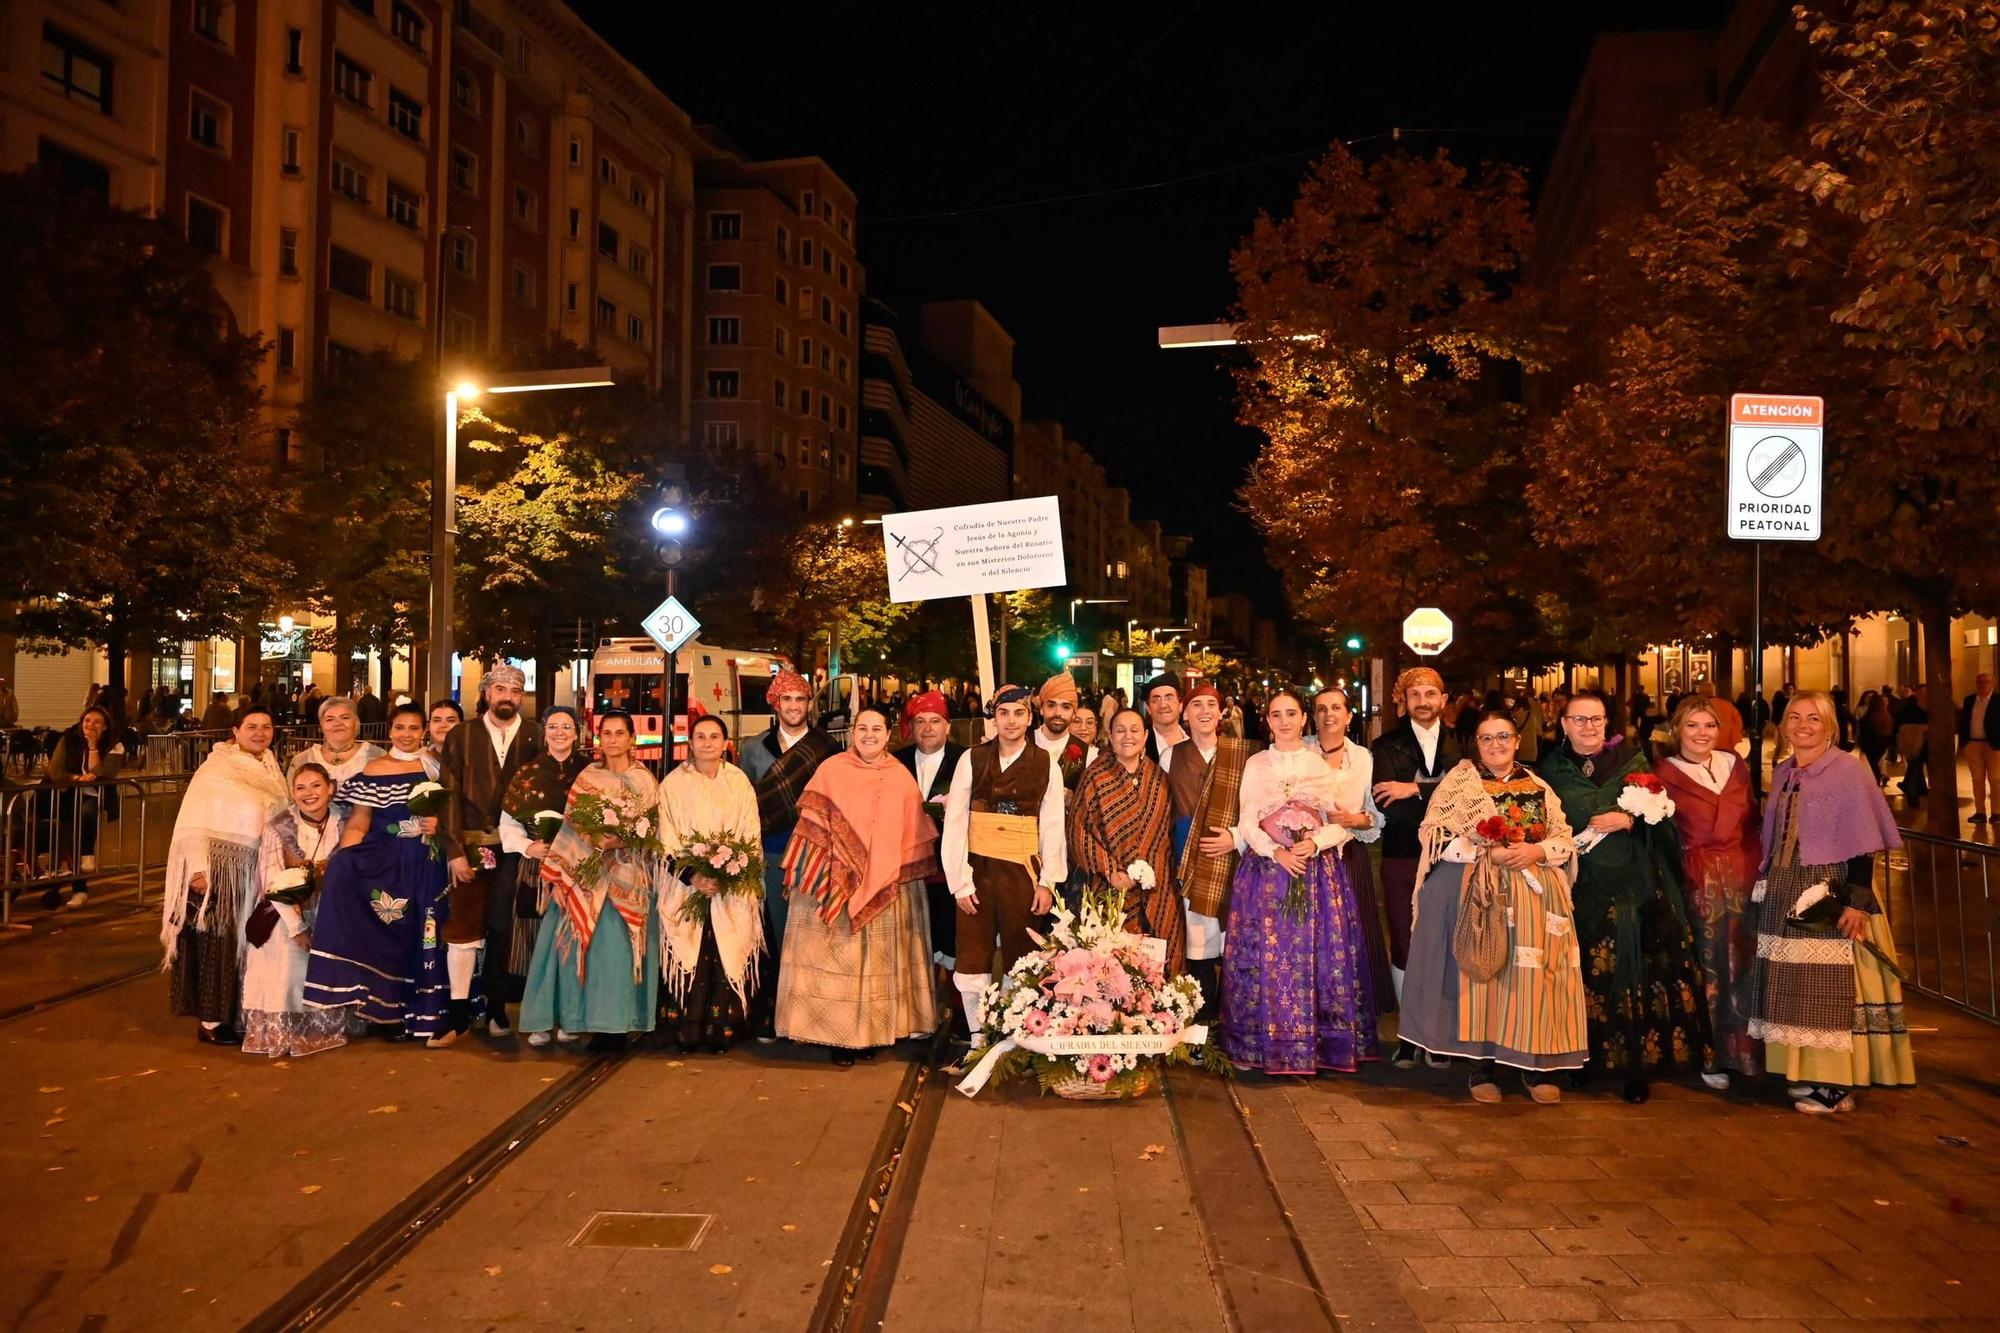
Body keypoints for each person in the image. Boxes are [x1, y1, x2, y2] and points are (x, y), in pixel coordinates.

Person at [1401, 707, 1587, 1102]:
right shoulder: (1460, 784)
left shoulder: (1538, 786)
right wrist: (1485, 854)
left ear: (1517, 741)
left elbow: (1564, 839)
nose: (1495, 745)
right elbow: (1436, 837)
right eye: (1486, 738)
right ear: (1476, 745)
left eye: (1503, 736)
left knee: (1535, 980)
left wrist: (1536, 850)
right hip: (1479, 891)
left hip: (1536, 896)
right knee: (1483, 973)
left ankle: (1534, 1068)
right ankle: (1481, 1068)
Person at [1539, 689, 1712, 1102]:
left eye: (1596, 719)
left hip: (1630, 885)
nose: (1588, 727)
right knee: (1579, 974)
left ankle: (1635, 1066)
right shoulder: (1550, 770)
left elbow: (1666, 824)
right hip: (1576, 886)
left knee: (1631, 972)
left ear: (1607, 724)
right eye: (1579, 719)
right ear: (1563, 724)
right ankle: (1580, 1060)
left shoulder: (1633, 763)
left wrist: (1631, 820)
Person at [1746, 691, 1914, 1113]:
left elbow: (1864, 842)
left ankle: (1838, 1083)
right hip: (1787, 882)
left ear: (1830, 727)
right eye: (1795, 717)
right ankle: (1807, 1072)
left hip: (1829, 885)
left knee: (1829, 985)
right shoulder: (1786, 771)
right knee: (1795, 984)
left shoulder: (1847, 771)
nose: (1803, 726)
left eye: (1814, 719)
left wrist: (1856, 901)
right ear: (1783, 724)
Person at [1218, 690, 1380, 1075]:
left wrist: (1313, 842)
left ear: (1303, 719)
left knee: (1316, 955)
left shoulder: (1319, 765)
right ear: (1268, 721)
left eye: (1292, 713)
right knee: (1267, 957)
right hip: (1269, 874)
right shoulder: (1256, 764)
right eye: (1277, 714)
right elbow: (1247, 821)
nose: (1285, 721)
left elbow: (1339, 823)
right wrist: (1277, 852)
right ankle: (1261, 1044)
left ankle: (1320, 1044)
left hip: (1316, 874)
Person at [777, 705, 939, 1064]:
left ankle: (874, 1032)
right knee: (840, 960)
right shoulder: (831, 770)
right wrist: (834, 865)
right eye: (862, 728)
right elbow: (810, 825)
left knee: (878, 963)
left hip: (886, 887)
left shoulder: (900, 777)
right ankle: (839, 1038)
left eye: (877, 729)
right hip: (833, 882)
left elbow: (913, 835)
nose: (869, 735)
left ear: (888, 734)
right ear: (852, 732)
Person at [301, 705, 451, 1045]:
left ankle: (425, 1014)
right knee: (388, 935)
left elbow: (454, 814)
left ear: (423, 731)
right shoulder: (375, 768)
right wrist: (340, 861)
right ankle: (387, 1012)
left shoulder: (436, 768)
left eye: (414, 728)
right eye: (400, 727)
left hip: (427, 862)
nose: (407, 734)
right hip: (386, 863)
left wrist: (441, 825)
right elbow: (359, 822)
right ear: (390, 730)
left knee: (423, 935)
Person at [520, 710, 660, 1050]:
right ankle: (586, 1022)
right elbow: (571, 825)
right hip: (585, 875)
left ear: (632, 739)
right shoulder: (588, 777)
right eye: (606, 733)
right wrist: (561, 876)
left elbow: (654, 831)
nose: (612, 740)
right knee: (584, 952)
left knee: (618, 956)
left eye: (619, 733)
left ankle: (617, 1026)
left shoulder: (644, 781)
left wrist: (624, 840)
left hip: (628, 877)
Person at [939, 684, 1068, 1036]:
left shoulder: (1046, 765)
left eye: (1019, 713)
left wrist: (1047, 882)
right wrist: (959, 881)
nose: (1011, 721)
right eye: (1003, 713)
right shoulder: (972, 759)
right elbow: (955, 823)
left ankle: (1014, 1037)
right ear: (994, 718)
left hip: (1022, 874)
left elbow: (1054, 824)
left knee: (1022, 956)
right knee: (972, 955)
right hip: (977, 872)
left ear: (1030, 717)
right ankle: (979, 1037)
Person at [160, 707, 289, 1045]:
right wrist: (198, 869)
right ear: (236, 730)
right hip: (220, 871)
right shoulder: (217, 769)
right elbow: (192, 820)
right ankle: (211, 1021)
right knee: (217, 942)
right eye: (252, 727)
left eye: (266, 726)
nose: (260, 733)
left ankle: (238, 1013)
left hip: (257, 870)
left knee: (248, 944)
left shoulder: (272, 768)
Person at [1653, 696, 1763, 1088]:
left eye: (1709, 726)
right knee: (1709, 964)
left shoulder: (1735, 766)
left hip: (1742, 873)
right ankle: (1711, 1053)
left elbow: (1751, 821)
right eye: (1693, 726)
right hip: (1697, 878)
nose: (1702, 734)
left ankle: (1748, 1052)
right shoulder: (1664, 774)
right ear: (1677, 730)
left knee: (1746, 961)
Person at [433, 664, 541, 1047]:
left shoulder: (534, 735)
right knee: (463, 928)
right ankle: (458, 1015)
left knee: (503, 929)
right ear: (486, 694)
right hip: (471, 847)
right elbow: (447, 793)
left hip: (517, 851)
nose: (507, 696)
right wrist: (454, 851)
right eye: (500, 688)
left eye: (516, 689)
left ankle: (497, 1009)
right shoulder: (462, 736)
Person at [1370, 667, 1460, 1065]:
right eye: (1414, 695)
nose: (1422, 701)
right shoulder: (1386, 745)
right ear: (1402, 701)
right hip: (1403, 851)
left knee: (1446, 939)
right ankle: (1410, 1033)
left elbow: (1471, 796)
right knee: (1406, 940)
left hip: (1453, 854)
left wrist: (1415, 789)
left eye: (1430, 693)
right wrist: (1435, 794)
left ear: (1443, 698)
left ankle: (1440, 1034)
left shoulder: (1464, 744)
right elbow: (1389, 803)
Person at [656, 715, 762, 1053]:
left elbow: (750, 831)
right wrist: (694, 876)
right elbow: (665, 838)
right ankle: (689, 1031)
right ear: (690, 742)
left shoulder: (739, 782)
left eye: (714, 736)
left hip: (731, 885)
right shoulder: (672, 784)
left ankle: (723, 1031)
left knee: (725, 949)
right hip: (686, 885)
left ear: (725, 742)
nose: (707, 743)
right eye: (700, 736)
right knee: (694, 950)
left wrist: (731, 870)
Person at [741, 669, 837, 1039]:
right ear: (775, 703)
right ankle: (772, 1015)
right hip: (768, 854)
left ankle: (809, 1017)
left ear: (809, 704)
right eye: (787, 699)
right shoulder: (753, 747)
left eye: (800, 699)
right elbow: (744, 799)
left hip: (812, 857)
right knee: (771, 936)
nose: (794, 706)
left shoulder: (826, 748)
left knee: (810, 939)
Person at [491, 705, 590, 1035]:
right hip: (536, 870)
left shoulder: (590, 773)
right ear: (543, 732)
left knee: (575, 943)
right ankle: (539, 1020)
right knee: (535, 946)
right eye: (553, 726)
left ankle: (571, 1017)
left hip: (580, 870)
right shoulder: (527, 773)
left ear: (578, 733)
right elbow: (508, 823)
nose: (560, 732)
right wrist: (527, 847)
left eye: (567, 726)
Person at [241, 763, 349, 1057]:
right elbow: (275, 881)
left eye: (315, 785)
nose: (308, 793)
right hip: (285, 910)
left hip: (331, 910)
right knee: (288, 959)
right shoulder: (279, 827)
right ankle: (285, 1033)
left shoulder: (346, 821)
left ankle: (324, 1028)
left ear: (331, 789)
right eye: (300, 788)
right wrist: (298, 928)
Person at [1069, 707, 1186, 972]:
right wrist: (1110, 870)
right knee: (1109, 968)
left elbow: (1165, 834)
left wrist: (1145, 872)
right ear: (1109, 736)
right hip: (1108, 886)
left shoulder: (1160, 780)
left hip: (1156, 888)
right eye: (1120, 730)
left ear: (1145, 735)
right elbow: (1078, 830)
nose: (1127, 736)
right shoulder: (1095, 777)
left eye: (1135, 730)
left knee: (1157, 967)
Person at [1165, 682, 1254, 1019]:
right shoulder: (1170, 755)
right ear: (1185, 714)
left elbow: (1260, 809)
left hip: (1235, 861)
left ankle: (1234, 1026)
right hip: (1190, 861)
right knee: (1199, 949)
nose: (1204, 711)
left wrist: (1235, 837)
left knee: (1235, 947)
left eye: (1210, 705)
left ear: (1221, 713)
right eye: (1196, 705)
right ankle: (1205, 1026)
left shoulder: (1243, 754)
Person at [1313, 687, 1395, 1015]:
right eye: (1321, 708)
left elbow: (1376, 815)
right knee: (1312, 935)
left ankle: (1352, 1011)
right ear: (1313, 716)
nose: (1329, 714)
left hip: (1348, 854)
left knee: (1352, 932)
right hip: (1307, 856)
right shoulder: (1301, 752)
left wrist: (1354, 819)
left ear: (1348, 716)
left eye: (1336, 708)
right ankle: (1313, 1007)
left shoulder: (1363, 758)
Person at [894, 690, 966, 1022]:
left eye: (935, 721)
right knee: (910, 938)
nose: (927, 728)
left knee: (949, 938)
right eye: (920, 722)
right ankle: (912, 1010)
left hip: (948, 868)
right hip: (903, 868)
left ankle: (951, 1012)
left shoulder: (965, 760)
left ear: (948, 726)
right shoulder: (895, 761)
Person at [43, 704, 126, 909]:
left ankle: (80, 881)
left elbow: (102, 772)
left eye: (97, 722)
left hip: (94, 796)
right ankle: (59, 886)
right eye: (87, 721)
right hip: (66, 795)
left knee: (86, 816)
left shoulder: (115, 745)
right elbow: (55, 771)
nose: (91, 725)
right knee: (64, 838)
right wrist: (77, 778)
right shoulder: (68, 739)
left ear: (105, 727)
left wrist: (93, 746)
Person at [289, 696, 383, 787]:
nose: (337, 723)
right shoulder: (302, 760)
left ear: (356, 723)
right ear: (321, 726)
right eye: (329, 719)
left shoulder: (377, 756)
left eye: (345, 717)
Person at [1032, 670, 1093, 787]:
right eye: (1051, 705)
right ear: (1041, 709)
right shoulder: (1023, 742)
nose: (1058, 713)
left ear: (1074, 713)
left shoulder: (1087, 754)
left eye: (1066, 707)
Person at [1960, 672, 1998, 824]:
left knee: (1996, 780)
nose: (1983, 685)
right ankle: (1980, 812)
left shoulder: (1997, 700)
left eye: (1986, 682)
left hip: (1993, 745)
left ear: (1992, 684)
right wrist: (1965, 742)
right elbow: (1964, 720)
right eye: (1980, 682)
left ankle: (1997, 812)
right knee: (1977, 779)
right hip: (1973, 744)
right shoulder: (1969, 700)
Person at [1141, 673, 1188, 762]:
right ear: (1148, 708)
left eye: (1169, 698)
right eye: (1156, 699)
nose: (1163, 705)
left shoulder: (1193, 739)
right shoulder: (1141, 743)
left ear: (1180, 705)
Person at [1895, 684, 1930, 802]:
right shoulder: (1909, 707)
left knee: (1916, 768)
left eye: (1926, 693)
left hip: (1929, 744)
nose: (1924, 695)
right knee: (1915, 766)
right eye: (1922, 693)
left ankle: (1916, 788)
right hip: (1914, 742)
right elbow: (1900, 723)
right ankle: (1913, 794)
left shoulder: (1934, 708)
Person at [1858, 690, 1894, 784]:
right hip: (1882, 745)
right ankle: (1877, 783)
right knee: (1876, 765)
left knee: (1872, 766)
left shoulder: (1867, 717)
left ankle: (1875, 785)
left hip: (1870, 745)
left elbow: (1863, 731)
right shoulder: (1886, 717)